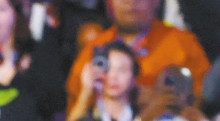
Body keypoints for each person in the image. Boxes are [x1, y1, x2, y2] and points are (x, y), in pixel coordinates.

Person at [65, 0, 210, 112]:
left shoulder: (183, 44)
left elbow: (205, 101)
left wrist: (163, 101)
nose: (131, 2)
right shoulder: (93, 49)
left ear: (156, 2)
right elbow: (73, 109)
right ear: (109, 3)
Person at [66, 41, 139, 121]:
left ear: (133, 78)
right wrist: (86, 91)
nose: (113, 76)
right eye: (107, 69)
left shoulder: (141, 116)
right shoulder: (89, 113)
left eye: (122, 70)